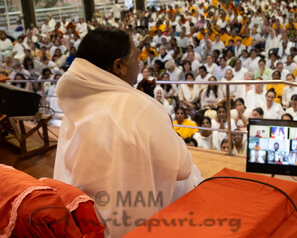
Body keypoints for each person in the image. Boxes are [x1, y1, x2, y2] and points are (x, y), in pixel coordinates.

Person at [54, 27, 201, 237]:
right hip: (140, 224)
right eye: (136, 56)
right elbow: (182, 168)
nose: (140, 63)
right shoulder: (141, 106)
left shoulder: (75, 104)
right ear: (119, 66)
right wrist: (159, 116)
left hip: (92, 221)